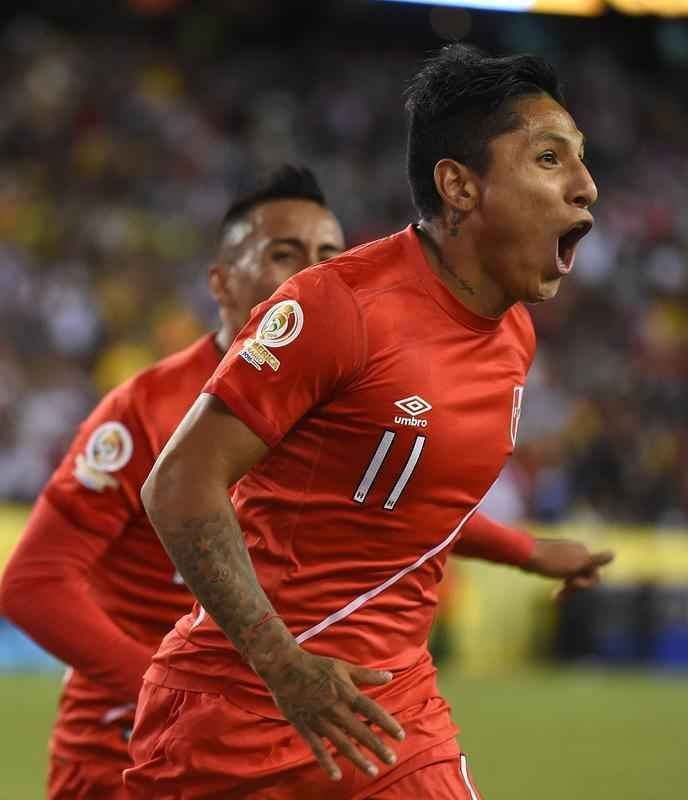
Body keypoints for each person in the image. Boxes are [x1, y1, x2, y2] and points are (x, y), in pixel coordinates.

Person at [1, 162, 605, 798]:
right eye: (283, 253)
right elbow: (33, 585)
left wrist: (527, 551)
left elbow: (395, 508)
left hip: (291, 706)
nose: (313, 270)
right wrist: (163, 679)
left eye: (328, 253)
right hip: (131, 739)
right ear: (221, 281)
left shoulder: (342, 387)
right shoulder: (145, 411)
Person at [126, 44, 603, 799]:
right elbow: (179, 485)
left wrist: (524, 550)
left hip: (394, 714)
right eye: (550, 159)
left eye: (581, 160)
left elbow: (392, 497)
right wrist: (283, 665)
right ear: (459, 187)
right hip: (236, 715)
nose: (586, 187)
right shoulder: (338, 308)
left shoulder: (514, 335)